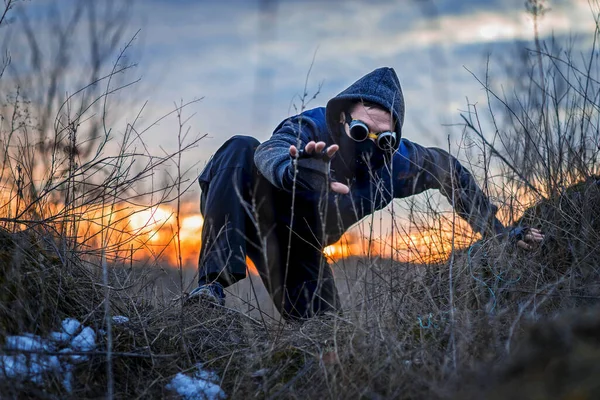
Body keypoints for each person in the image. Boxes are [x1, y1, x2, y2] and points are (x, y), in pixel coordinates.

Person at [188, 67, 544, 320]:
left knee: (326, 332)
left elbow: (451, 172)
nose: (370, 144)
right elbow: (270, 149)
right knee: (240, 147)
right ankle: (210, 288)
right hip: (247, 210)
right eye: (361, 130)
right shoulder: (313, 126)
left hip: (300, 247)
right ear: (343, 119)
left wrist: (498, 235)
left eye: (382, 138)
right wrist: (291, 172)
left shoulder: (399, 163)